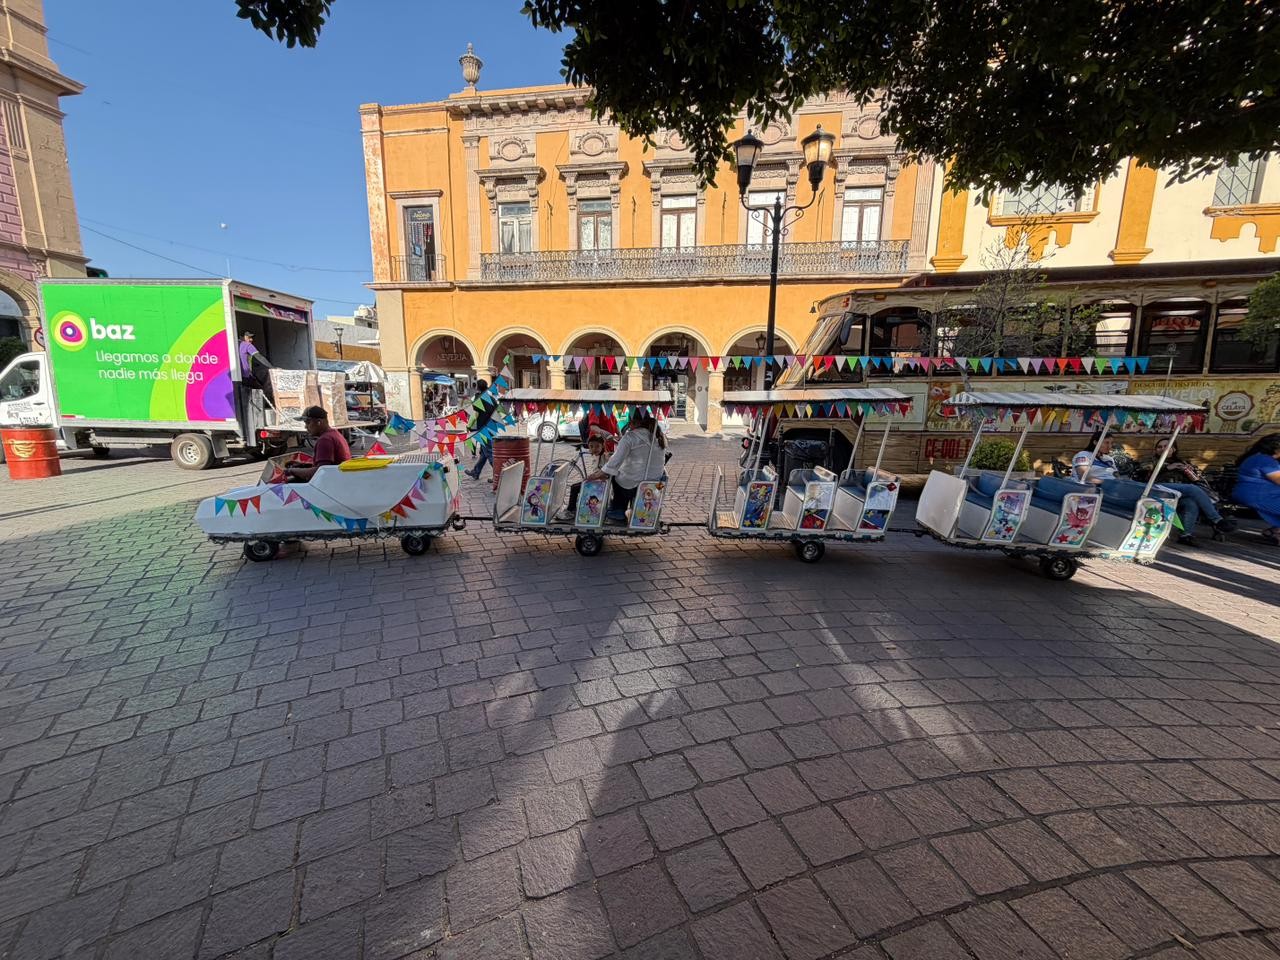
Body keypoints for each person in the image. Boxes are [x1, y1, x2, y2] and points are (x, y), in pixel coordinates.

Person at [1138, 438, 1235, 546]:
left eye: (1166, 446)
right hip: (1158, 488)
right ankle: (1216, 520)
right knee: (1191, 488)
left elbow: (1196, 480)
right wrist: (1167, 467)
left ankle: (1185, 535)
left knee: (1191, 503)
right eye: (1159, 447)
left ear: (1174, 449)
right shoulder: (1151, 460)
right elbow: (1143, 470)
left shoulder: (1182, 462)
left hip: (1178, 494)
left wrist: (1188, 471)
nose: (1162, 449)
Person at [588, 411, 667, 522]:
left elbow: (613, 464)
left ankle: (618, 510)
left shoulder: (630, 437)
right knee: (624, 474)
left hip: (635, 486)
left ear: (634, 423)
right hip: (656, 485)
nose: (629, 426)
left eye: (630, 423)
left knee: (615, 476)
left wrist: (596, 475)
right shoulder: (658, 436)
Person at [1233, 434, 1280, 546]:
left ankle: (1275, 531)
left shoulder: (1257, 457)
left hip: (1253, 493)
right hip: (1259, 495)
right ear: (1276, 448)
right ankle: (1276, 533)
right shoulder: (1265, 460)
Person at [285, 406, 350, 482]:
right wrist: (303, 465)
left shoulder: (325, 440)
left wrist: (291, 471)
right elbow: (326, 466)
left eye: (308, 423)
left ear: (319, 422)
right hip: (339, 478)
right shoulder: (334, 434)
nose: (306, 427)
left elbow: (320, 472)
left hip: (332, 482)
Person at [556, 433, 608, 522]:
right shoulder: (597, 456)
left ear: (602, 446)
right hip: (596, 482)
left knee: (574, 488)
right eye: (591, 446)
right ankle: (572, 508)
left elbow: (606, 474)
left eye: (597, 446)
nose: (594, 449)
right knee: (575, 486)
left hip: (600, 484)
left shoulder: (604, 457)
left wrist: (592, 478)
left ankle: (571, 510)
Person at [464, 380, 496, 480]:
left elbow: (474, 415)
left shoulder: (478, 398)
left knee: (489, 452)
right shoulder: (491, 398)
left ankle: (498, 475)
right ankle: (476, 472)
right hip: (491, 427)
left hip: (483, 428)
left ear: (477, 387)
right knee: (483, 453)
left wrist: (469, 426)